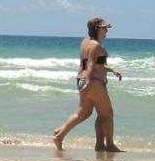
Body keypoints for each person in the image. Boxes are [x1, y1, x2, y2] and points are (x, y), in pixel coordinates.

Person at [53, 16, 124, 152]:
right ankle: (109, 145)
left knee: (83, 113)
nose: (107, 31)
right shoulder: (96, 45)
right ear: (97, 29)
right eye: (104, 28)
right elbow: (91, 65)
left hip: (82, 79)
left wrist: (112, 69)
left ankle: (60, 135)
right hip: (93, 82)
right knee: (107, 114)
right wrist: (89, 80)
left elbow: (94, 64)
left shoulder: (86, 42)